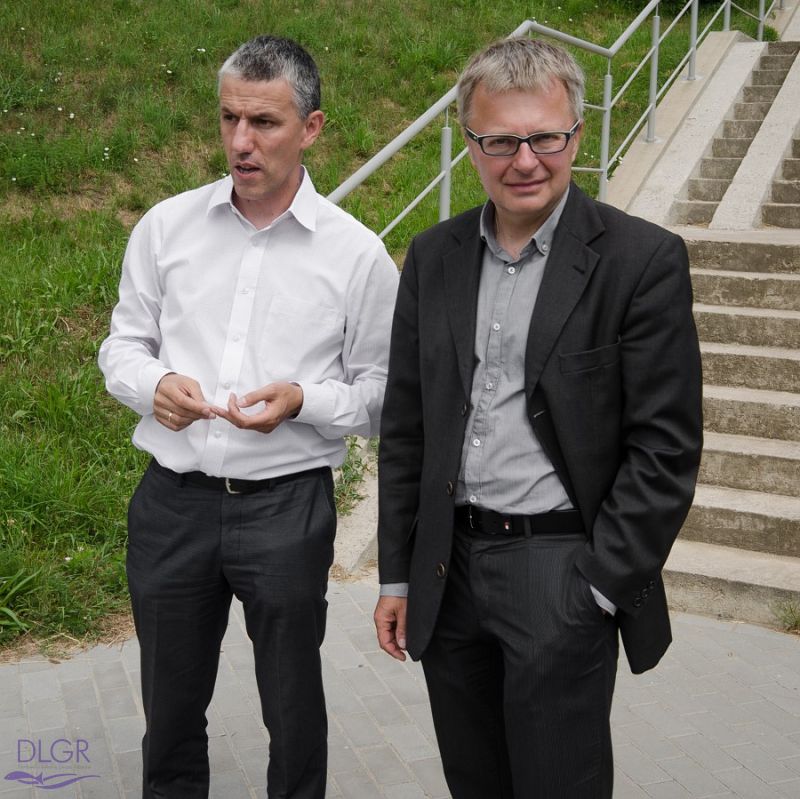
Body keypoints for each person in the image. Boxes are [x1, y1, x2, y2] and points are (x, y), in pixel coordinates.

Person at [373, 36, 702, 798]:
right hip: (449, 572)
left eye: (545, 138)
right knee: (474, 783)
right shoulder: (432, 257)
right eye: (500, 141)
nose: (525, 161)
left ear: (577, 136)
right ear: (470, 144)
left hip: (560, 572)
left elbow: (665, 447)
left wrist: (598, 586)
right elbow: (407, 427)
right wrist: (399, 573)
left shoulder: (641, 261)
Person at [99, 34, 398, 799]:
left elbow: (382, 393)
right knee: (168, 707)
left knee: (293, 708)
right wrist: (155, 382)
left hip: (287, 508)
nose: (240, 141)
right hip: (172, 504)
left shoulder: (357, 255)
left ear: (312, 127)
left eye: (264, 122)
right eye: (229, 117)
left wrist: (305, 400)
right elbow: (121, 346)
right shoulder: (165, 227)